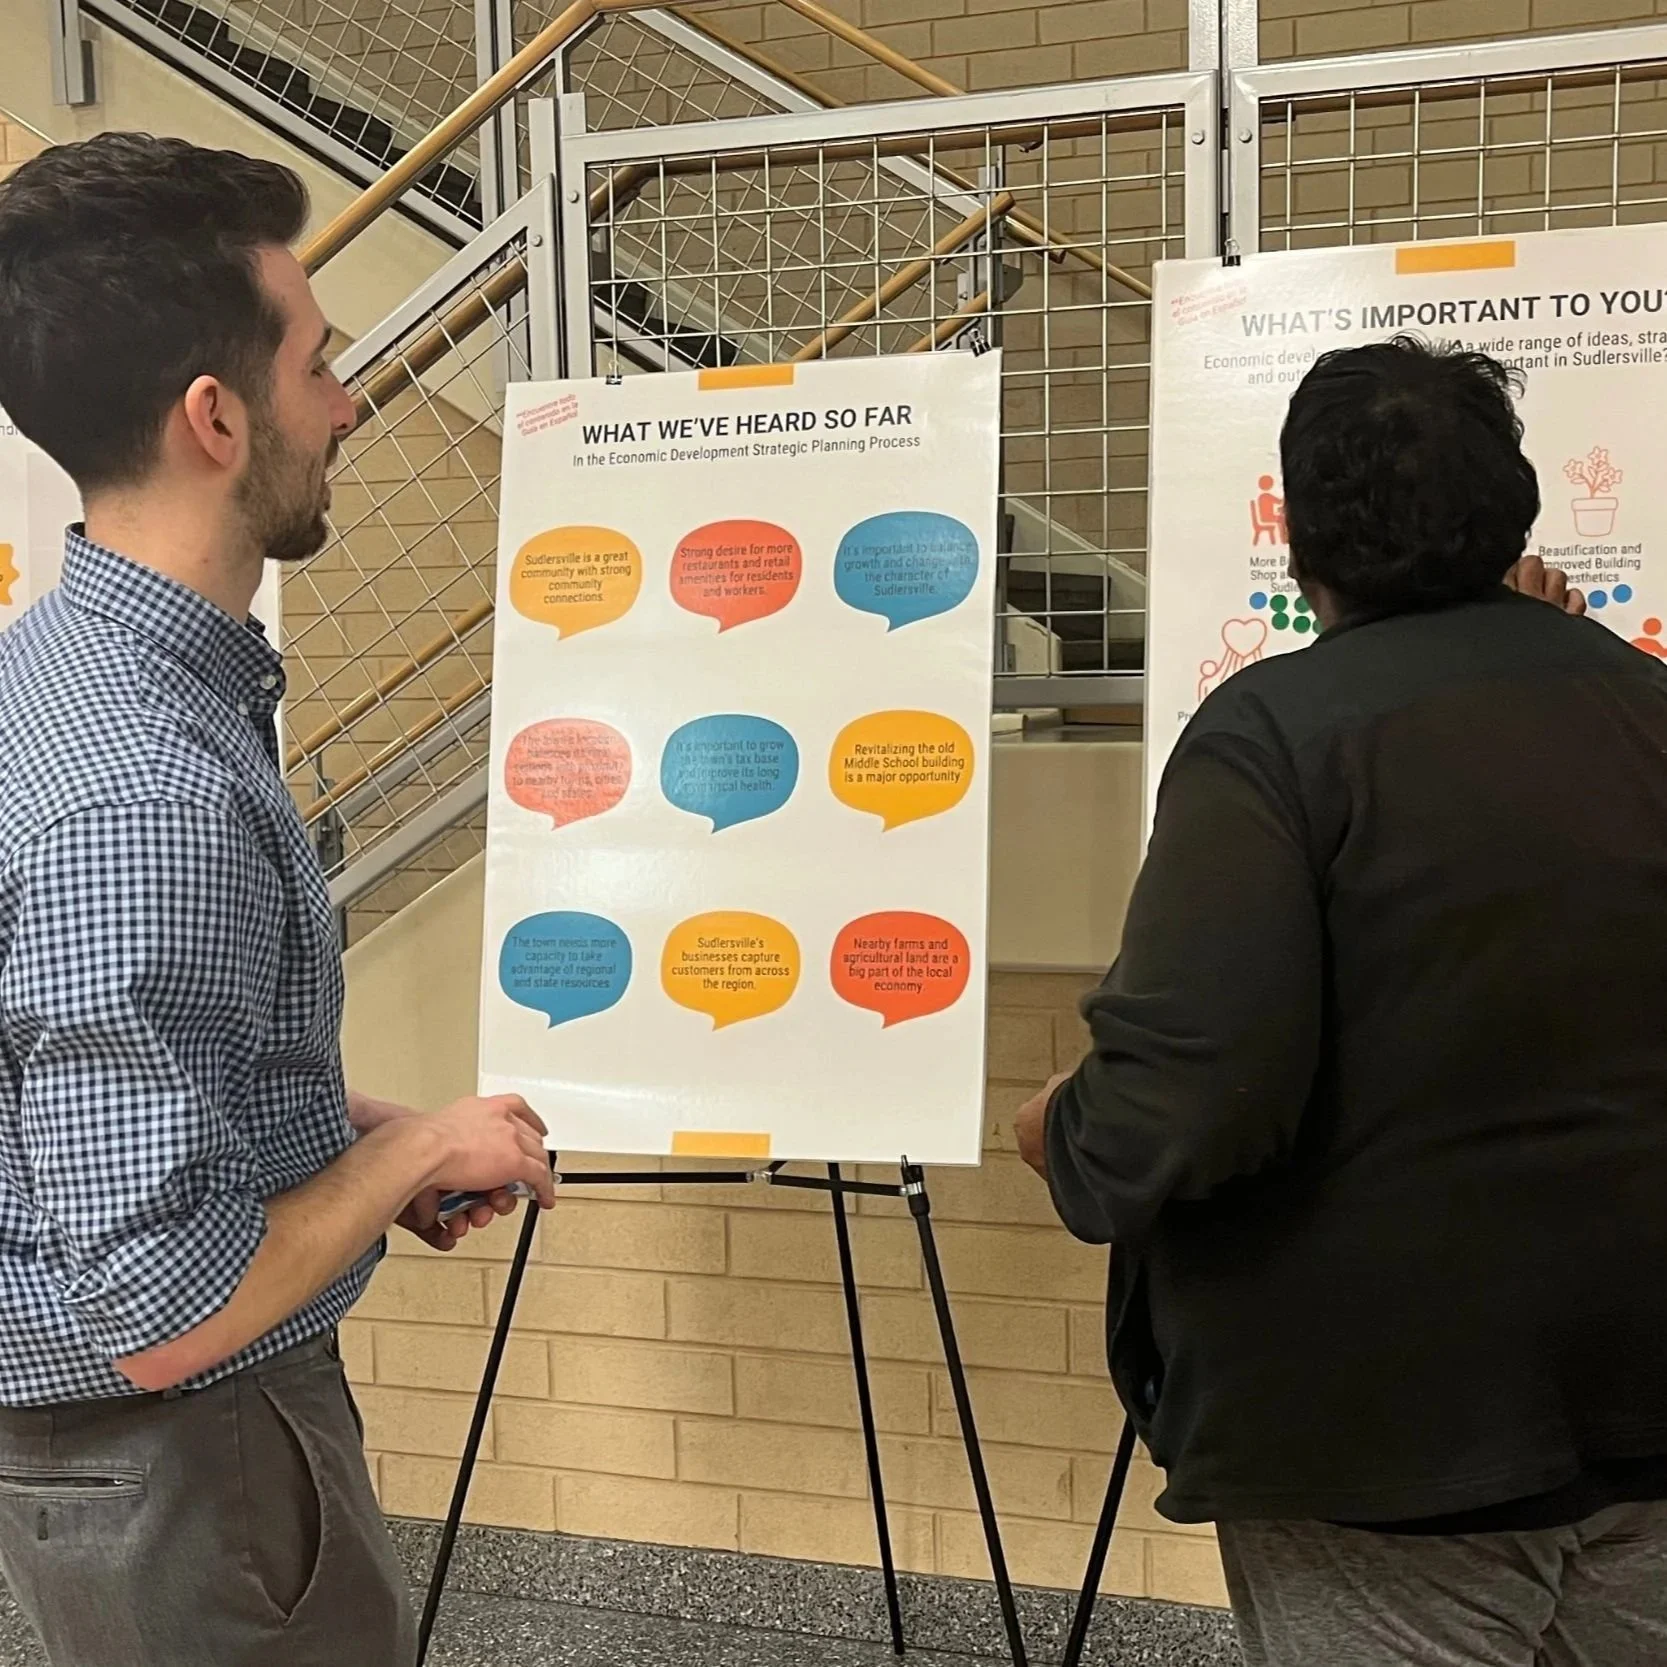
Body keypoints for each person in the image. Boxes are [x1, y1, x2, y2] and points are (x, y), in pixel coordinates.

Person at [1017, 337, 1667, 1667]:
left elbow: (1192, 1091)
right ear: (1513, 512)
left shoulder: (1273, 734)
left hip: (1386, 1438)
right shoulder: (1644, 706)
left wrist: (1064, 1135)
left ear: (1299, 540)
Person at [0, 133, 558, 1667]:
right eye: (321, 363)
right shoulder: (147, 791)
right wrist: (421, 1153)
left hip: (142, 1466)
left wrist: (361, 1137)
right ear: (215, 417)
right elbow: (164, 1304)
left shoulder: (54, 674)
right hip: (197, 1463)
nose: (353, 398)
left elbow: (107, 1078)